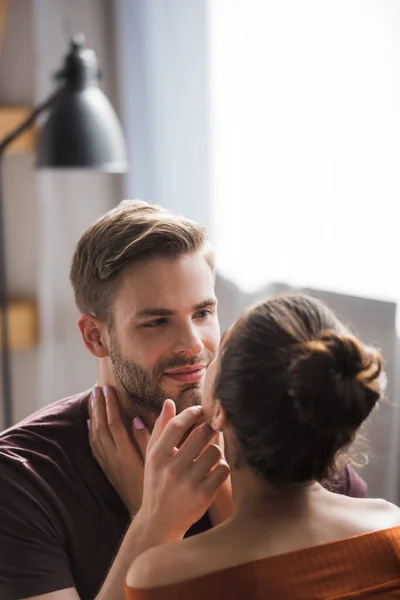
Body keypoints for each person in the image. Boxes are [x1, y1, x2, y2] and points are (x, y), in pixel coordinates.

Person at [0, 201, 366, 600]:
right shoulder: (21, 477)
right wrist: (154, 525)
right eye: (157, 322)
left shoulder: (284, 429)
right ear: (95, 336)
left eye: (203, 312)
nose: (193, 345)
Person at [124, 293, 400, 599]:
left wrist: (152, 517)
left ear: (220, 411)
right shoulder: (392, 529)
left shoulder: (162, 578)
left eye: (219, 356)